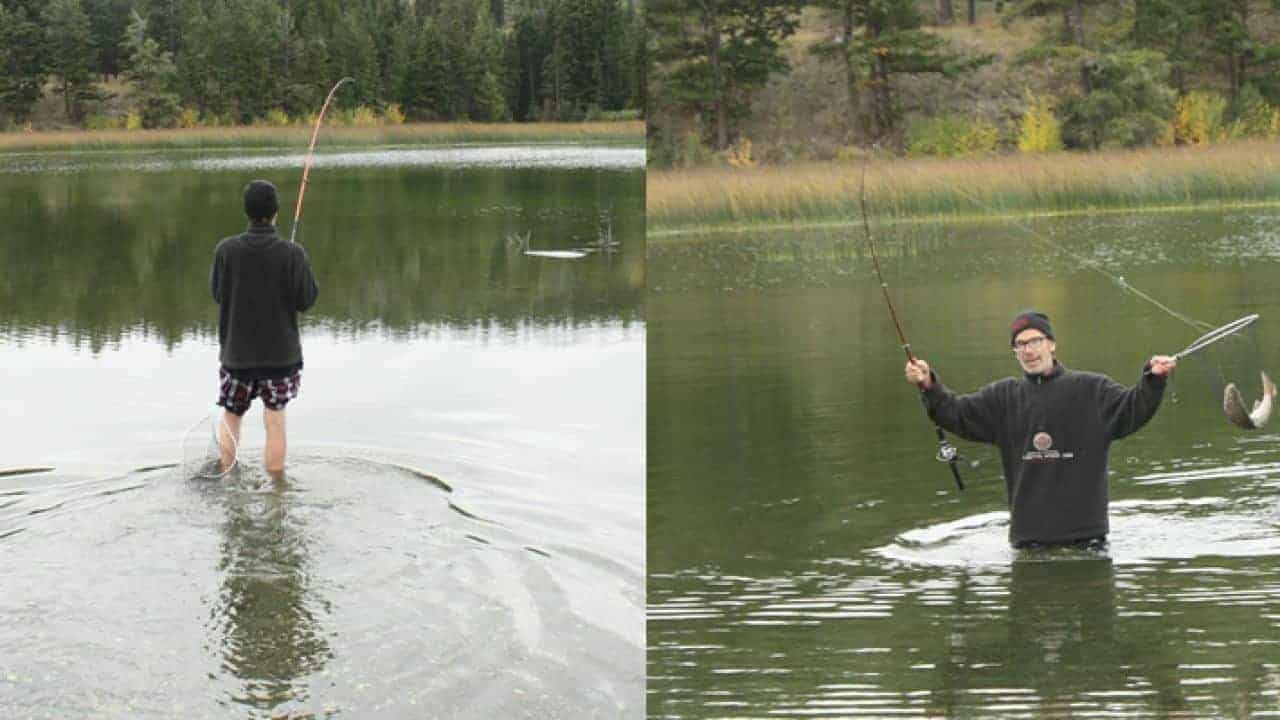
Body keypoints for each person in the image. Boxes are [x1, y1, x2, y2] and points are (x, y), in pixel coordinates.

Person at [903, 310, 1177, 549]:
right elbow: (956, 414)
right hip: (1028, 539)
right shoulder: (1003, 398)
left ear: (1052, 345)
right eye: (1020, 345)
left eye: (1035, 341)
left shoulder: (1091, 389)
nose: (1028, 350)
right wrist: (928, 384)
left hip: (1087, 538)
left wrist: (1153, 379)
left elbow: (1133, 408)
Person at [210, 180, 319, 477]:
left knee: (231, 416)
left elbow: (218, 294)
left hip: (237, 358)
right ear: (276, 213)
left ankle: (226, 473)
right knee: (275, 420)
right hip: (280, 360)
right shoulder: (293, 253)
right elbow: (306, 300)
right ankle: (277, 490)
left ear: (246, 211)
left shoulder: (226, 250)